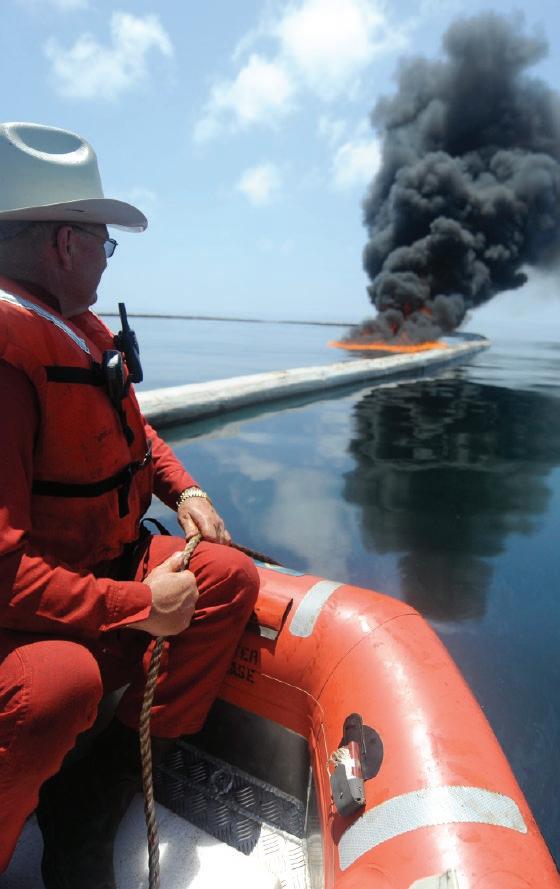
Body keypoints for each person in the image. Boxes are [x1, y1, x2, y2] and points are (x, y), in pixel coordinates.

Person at [0, 122, 260, 887]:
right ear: (64, 241)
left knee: (229, 579)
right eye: (103, 241)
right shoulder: (8, 354)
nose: (107, 255)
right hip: (28, 606)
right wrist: (141, 604)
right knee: (57, 685)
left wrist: (186, 488)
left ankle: (95, 790)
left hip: (97, 565)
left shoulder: (70, 324)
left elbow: (132, 431)